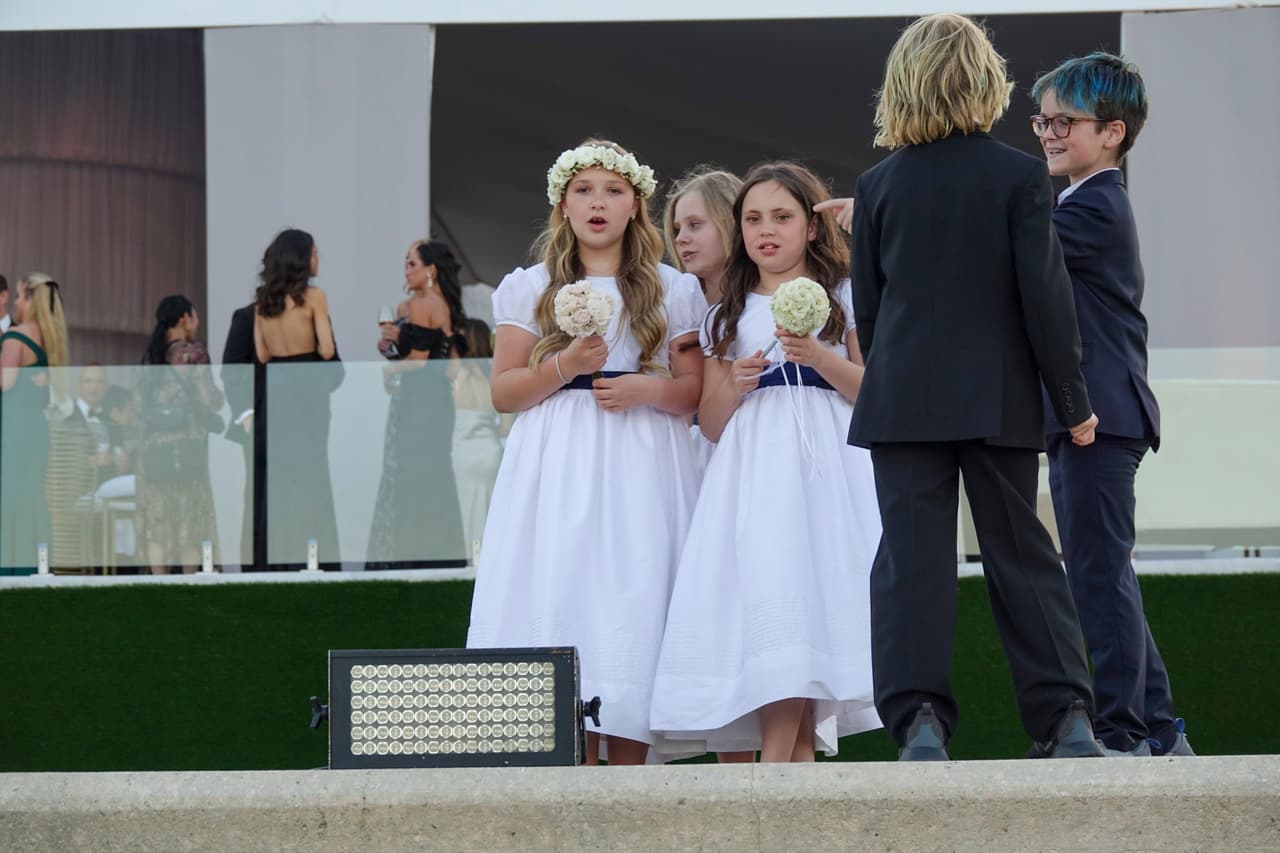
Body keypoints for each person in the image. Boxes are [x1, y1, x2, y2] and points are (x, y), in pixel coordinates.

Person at [847, 13, 1104, 760]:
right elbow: (1046, 301)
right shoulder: (1021, 175)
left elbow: (871, 308)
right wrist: (1074, 403)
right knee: (1022, 552)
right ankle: (1067, 719)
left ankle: (920, 721)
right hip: (998, 398)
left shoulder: (877, 184)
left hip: (901, 398)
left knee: (911, 560)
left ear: (904, 83)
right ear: (985, 83)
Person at [466, 139, 706, 765]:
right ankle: (563, 763)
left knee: (632, 591)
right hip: (557, 459)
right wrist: (565, 366)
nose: (598, 203)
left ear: (636, 206)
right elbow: (503, 392)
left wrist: (651, 389)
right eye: (584, 191)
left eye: (614, 191)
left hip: (642, 458)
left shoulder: (673, 289)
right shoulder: (530, 287)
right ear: (562, 204)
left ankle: (629, 767)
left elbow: (692, 396)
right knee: (562, 590)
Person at [651, 162, 882, 762]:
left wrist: (817, 357)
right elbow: (710, 422)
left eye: (782, 217)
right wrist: (737, 384)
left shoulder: (846, 296)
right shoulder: (725, 313)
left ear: (811, 226)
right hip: (756, 473)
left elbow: (873, 391)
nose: (765, 231)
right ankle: (786, 764)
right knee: (775, 595)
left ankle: (784, 766)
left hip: (827, 469)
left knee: (814, 598)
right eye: (753, 219)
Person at [1031, 53, 1193, 757]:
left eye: (1065, 120)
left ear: (1114, 132)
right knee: (1104, 572)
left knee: (1098, 577)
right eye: (1042, 118)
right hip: (1091, 418)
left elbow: (1010, 252)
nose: (1047, 131)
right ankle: (1161, 729)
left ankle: (1126, 731)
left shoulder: (1095, 205)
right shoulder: (1079, 200)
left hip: (1101, 417)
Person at [366, 240, 468, 570]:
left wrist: (389, 369)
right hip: (435, 400)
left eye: (412, 264)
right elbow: (447, 361)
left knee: (411, 471)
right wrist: (392, 344)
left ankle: (410, 552)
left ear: (430, 271)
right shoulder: (437, 305)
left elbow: (420, 361)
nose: (406, 270)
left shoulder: (424, 303)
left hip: (420, 399)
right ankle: (437, 549)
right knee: (431, 471)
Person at [253, 228, 343, 570]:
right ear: (301, 258)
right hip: (309, 393)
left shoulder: (263, 300)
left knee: (282, 479)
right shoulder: (315, 297)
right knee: (313, 474)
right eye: (314, 252)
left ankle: (282, 560)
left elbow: (261, 355)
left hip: (278, 393)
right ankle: (317, 558)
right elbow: (327, 349)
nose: (317, 259)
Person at [137, 295, 224, 574]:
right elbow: (209, 399)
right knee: (190, 519)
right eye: (195, 317)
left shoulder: (150, 355)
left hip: (153, 451)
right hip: (187, 448)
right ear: (185, 319)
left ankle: (157, 583)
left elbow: (140, 405)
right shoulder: (194, 353)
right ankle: (189, 583)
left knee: (157, 521)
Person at [0, 273, 69, 575]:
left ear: (30, 299)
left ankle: (11, 568)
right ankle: (36, 565)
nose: (15, 302)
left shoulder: (15, 337)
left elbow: (6, 382)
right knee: (33, 496)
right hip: (36, 430)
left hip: (13, 430)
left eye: (18, 296)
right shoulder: (49, 338)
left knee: (11, 497)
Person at [449, 318, 508, 564]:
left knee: (465, 513)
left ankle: (470, 559)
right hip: (491, 451)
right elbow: (506, 425)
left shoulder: (455, 373)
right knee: (493, 514)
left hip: (463, 451)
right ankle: (491, 562)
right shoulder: (495, 377)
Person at [221, 301, 265, 570]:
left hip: (299, 427)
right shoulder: (247, 316)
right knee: (256, 498)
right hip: (256, 427)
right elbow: (232, 371)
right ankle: (253, 569)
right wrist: (246, 415)